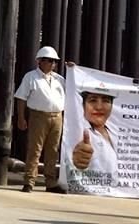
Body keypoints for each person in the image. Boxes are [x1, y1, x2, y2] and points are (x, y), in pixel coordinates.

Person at [14, 45, 65, 193]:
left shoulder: (59, 80)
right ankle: (29, 181)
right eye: (49, 60)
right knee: (35, 149)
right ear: (40, 61)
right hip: (38, 116)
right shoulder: (31, 77)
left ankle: (50, 182)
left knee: (53, 150)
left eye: (54, 61)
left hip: (57, 116)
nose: (52, 64)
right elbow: (21, 98)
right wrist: (21, 118)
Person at [71, 83, 118, 176]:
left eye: (105, 100)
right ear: (83, 104)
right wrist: (76, 161)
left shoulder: (116, 132)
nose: (99, 107)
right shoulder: (77, 132)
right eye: (92, 100)